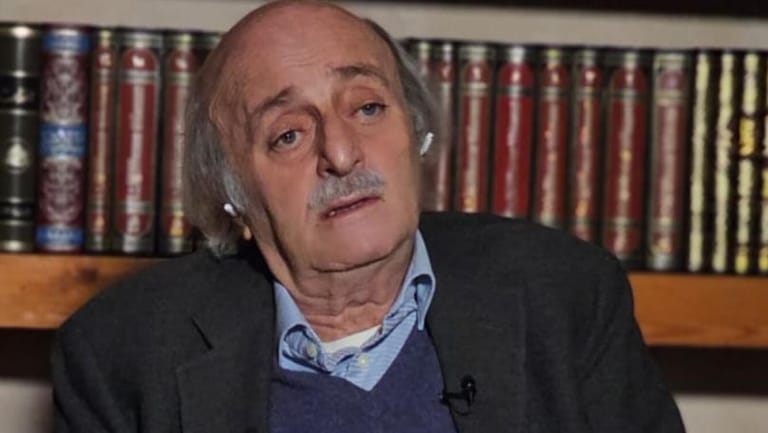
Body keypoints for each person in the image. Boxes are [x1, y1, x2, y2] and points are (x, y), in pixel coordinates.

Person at [51, 1, 685, 432]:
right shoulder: (121, 353)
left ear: (416, 128)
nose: (341, 153)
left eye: (368, 108)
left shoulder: (566, 295)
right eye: (288, 135)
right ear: (231, 191)